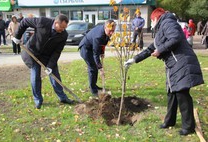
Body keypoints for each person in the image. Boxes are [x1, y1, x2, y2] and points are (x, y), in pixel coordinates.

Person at [124, 8, 204, 136]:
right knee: (172, 93)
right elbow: (150, 48)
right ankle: (169, 121)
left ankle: (188, 126)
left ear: (156, 18)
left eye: (152, 20)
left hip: (181, 62)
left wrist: (160, 50)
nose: (151, 23)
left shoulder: (168, 23)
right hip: (174, 65)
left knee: (182, 94)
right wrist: (134, 60)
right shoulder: (161, 29)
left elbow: (176, 38)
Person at [12, 14, 74, 109]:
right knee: (35, 75)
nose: (63, 30)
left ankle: (62, 97)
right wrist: (17, 36)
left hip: (47, 56)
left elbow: (57, 52)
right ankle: (38, 100)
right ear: (56, 23)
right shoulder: (42, 22)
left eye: (65, 28)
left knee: (54, 75)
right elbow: (24, 22)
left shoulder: (63, 35)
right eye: (62, 27)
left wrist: (50, 66)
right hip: (32, 52)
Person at [79, 20, 116, 96]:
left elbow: (102, 44)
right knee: (93, 68)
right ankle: (93, 90)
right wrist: (100, 67)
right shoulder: (98, 36)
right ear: (105, 27)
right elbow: (95, 54)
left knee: (94, 67)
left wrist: (102, 52)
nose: (112, 33)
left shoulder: (105, 32)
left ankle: (94, 85)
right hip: (86, 49)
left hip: (92, 48)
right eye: (110, 31)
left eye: (113, 31)